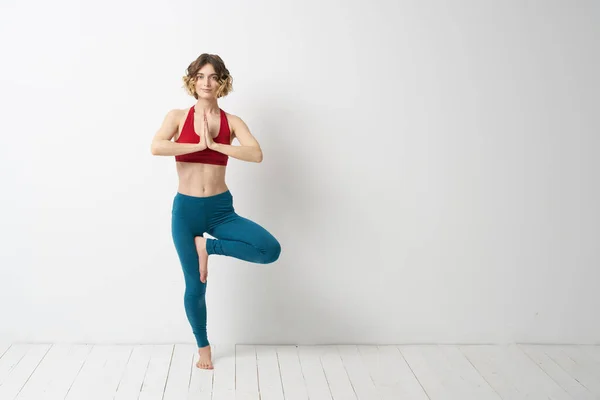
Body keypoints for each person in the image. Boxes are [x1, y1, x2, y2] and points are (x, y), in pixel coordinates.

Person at [150, 53, 281, 369]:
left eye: (212, 77)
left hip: (221, 210)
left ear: (222, 82)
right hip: (186, 211)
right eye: (200, 76)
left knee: (269, 249)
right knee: (195, 287)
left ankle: (207, 246)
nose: (206, 83)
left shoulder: (232, 122)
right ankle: (203, 346)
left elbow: (256, 154)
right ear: (192, 81)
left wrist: (217, 145)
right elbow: (157, 146)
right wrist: (197, 145)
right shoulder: (178, 117)